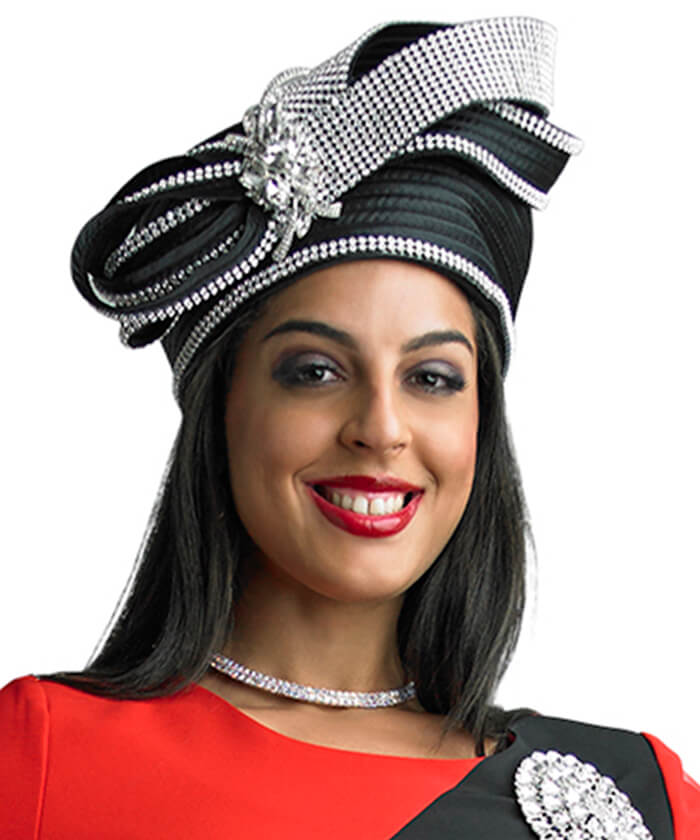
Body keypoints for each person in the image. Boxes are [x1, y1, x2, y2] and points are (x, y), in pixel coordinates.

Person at [1, 16, 698, 839]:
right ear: (221, 408)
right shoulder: (44, 758)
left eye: (432, 378)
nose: (381, 428)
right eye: (315, 371)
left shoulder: (639, 794)